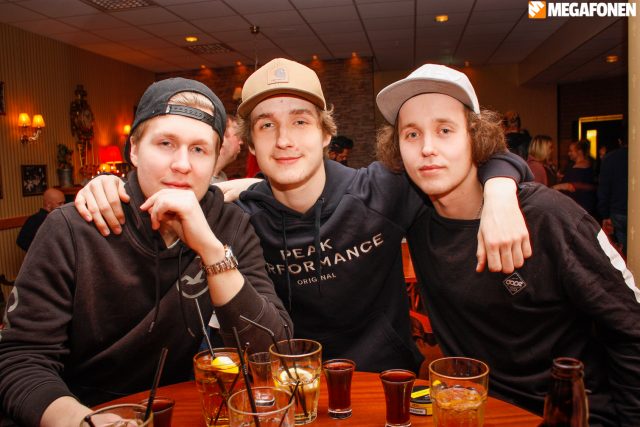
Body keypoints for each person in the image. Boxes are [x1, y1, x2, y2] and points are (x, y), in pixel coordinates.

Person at [73, 58, 532, 374]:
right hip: (287, 389)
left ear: (326, 134)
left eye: (300, 121)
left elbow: (472, 157)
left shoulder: (381, 190)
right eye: (266, 126)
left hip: (384, 382)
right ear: (251, 145)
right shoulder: (240, 217)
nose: (284, 140)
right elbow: (168, 190)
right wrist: (112, 186)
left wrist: (500, 190)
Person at [0, 78, 290, 427]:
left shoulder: (230, 225)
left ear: (216, 161)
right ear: (134, 150)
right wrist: (87, 421)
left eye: (199, 150)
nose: (182, 164)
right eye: (166, 143)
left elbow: (274, 351)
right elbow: (20, 361)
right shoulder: (72, 228)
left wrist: (212, 251)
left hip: (181, 410)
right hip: (80, 410)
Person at [376, 63, 640, 426]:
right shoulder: (414, 217)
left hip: (567, 415)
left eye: (445, 130)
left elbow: (630, 329)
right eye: (411, 134)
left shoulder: (549, 217)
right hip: (475, 410)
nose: (427, 148)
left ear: (475, 137)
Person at [598, 138, 628, 256]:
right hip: (629, 210)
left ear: (620, 141)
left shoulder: (610, 159)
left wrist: (604, 214)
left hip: (617, 211)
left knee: (621, 252)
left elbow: (604, 188)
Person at [552, 139, 597, 218]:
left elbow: (569, 187)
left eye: (571, 151)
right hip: (585, 209)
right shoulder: (589, 164)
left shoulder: (577, 169)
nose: (568, 153)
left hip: (576, 209)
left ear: (579, 152)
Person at [211, 114, 243, 183]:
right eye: (237, 135)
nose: (241, 142)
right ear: (221, 137)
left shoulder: (222, 177)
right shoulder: (200, 179)